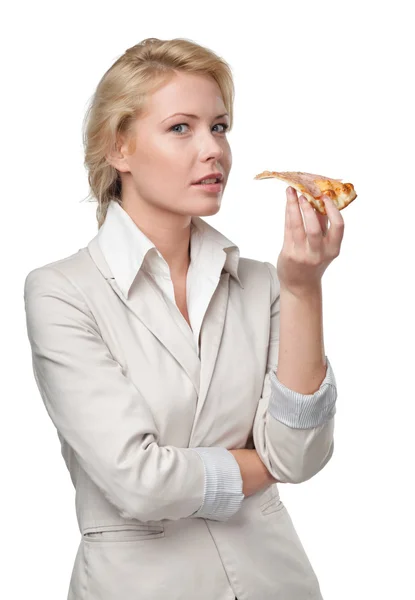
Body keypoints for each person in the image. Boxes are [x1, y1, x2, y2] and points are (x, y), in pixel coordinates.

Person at [24, 37, 343, 600]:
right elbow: (139, 482)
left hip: (277, 582)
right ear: (119, 148)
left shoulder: (265, 284)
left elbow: (300, 456)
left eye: (219, 127)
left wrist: (303, 287)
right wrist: (259, 463)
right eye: (181, 128)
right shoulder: (62, 294)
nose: (213, 149)